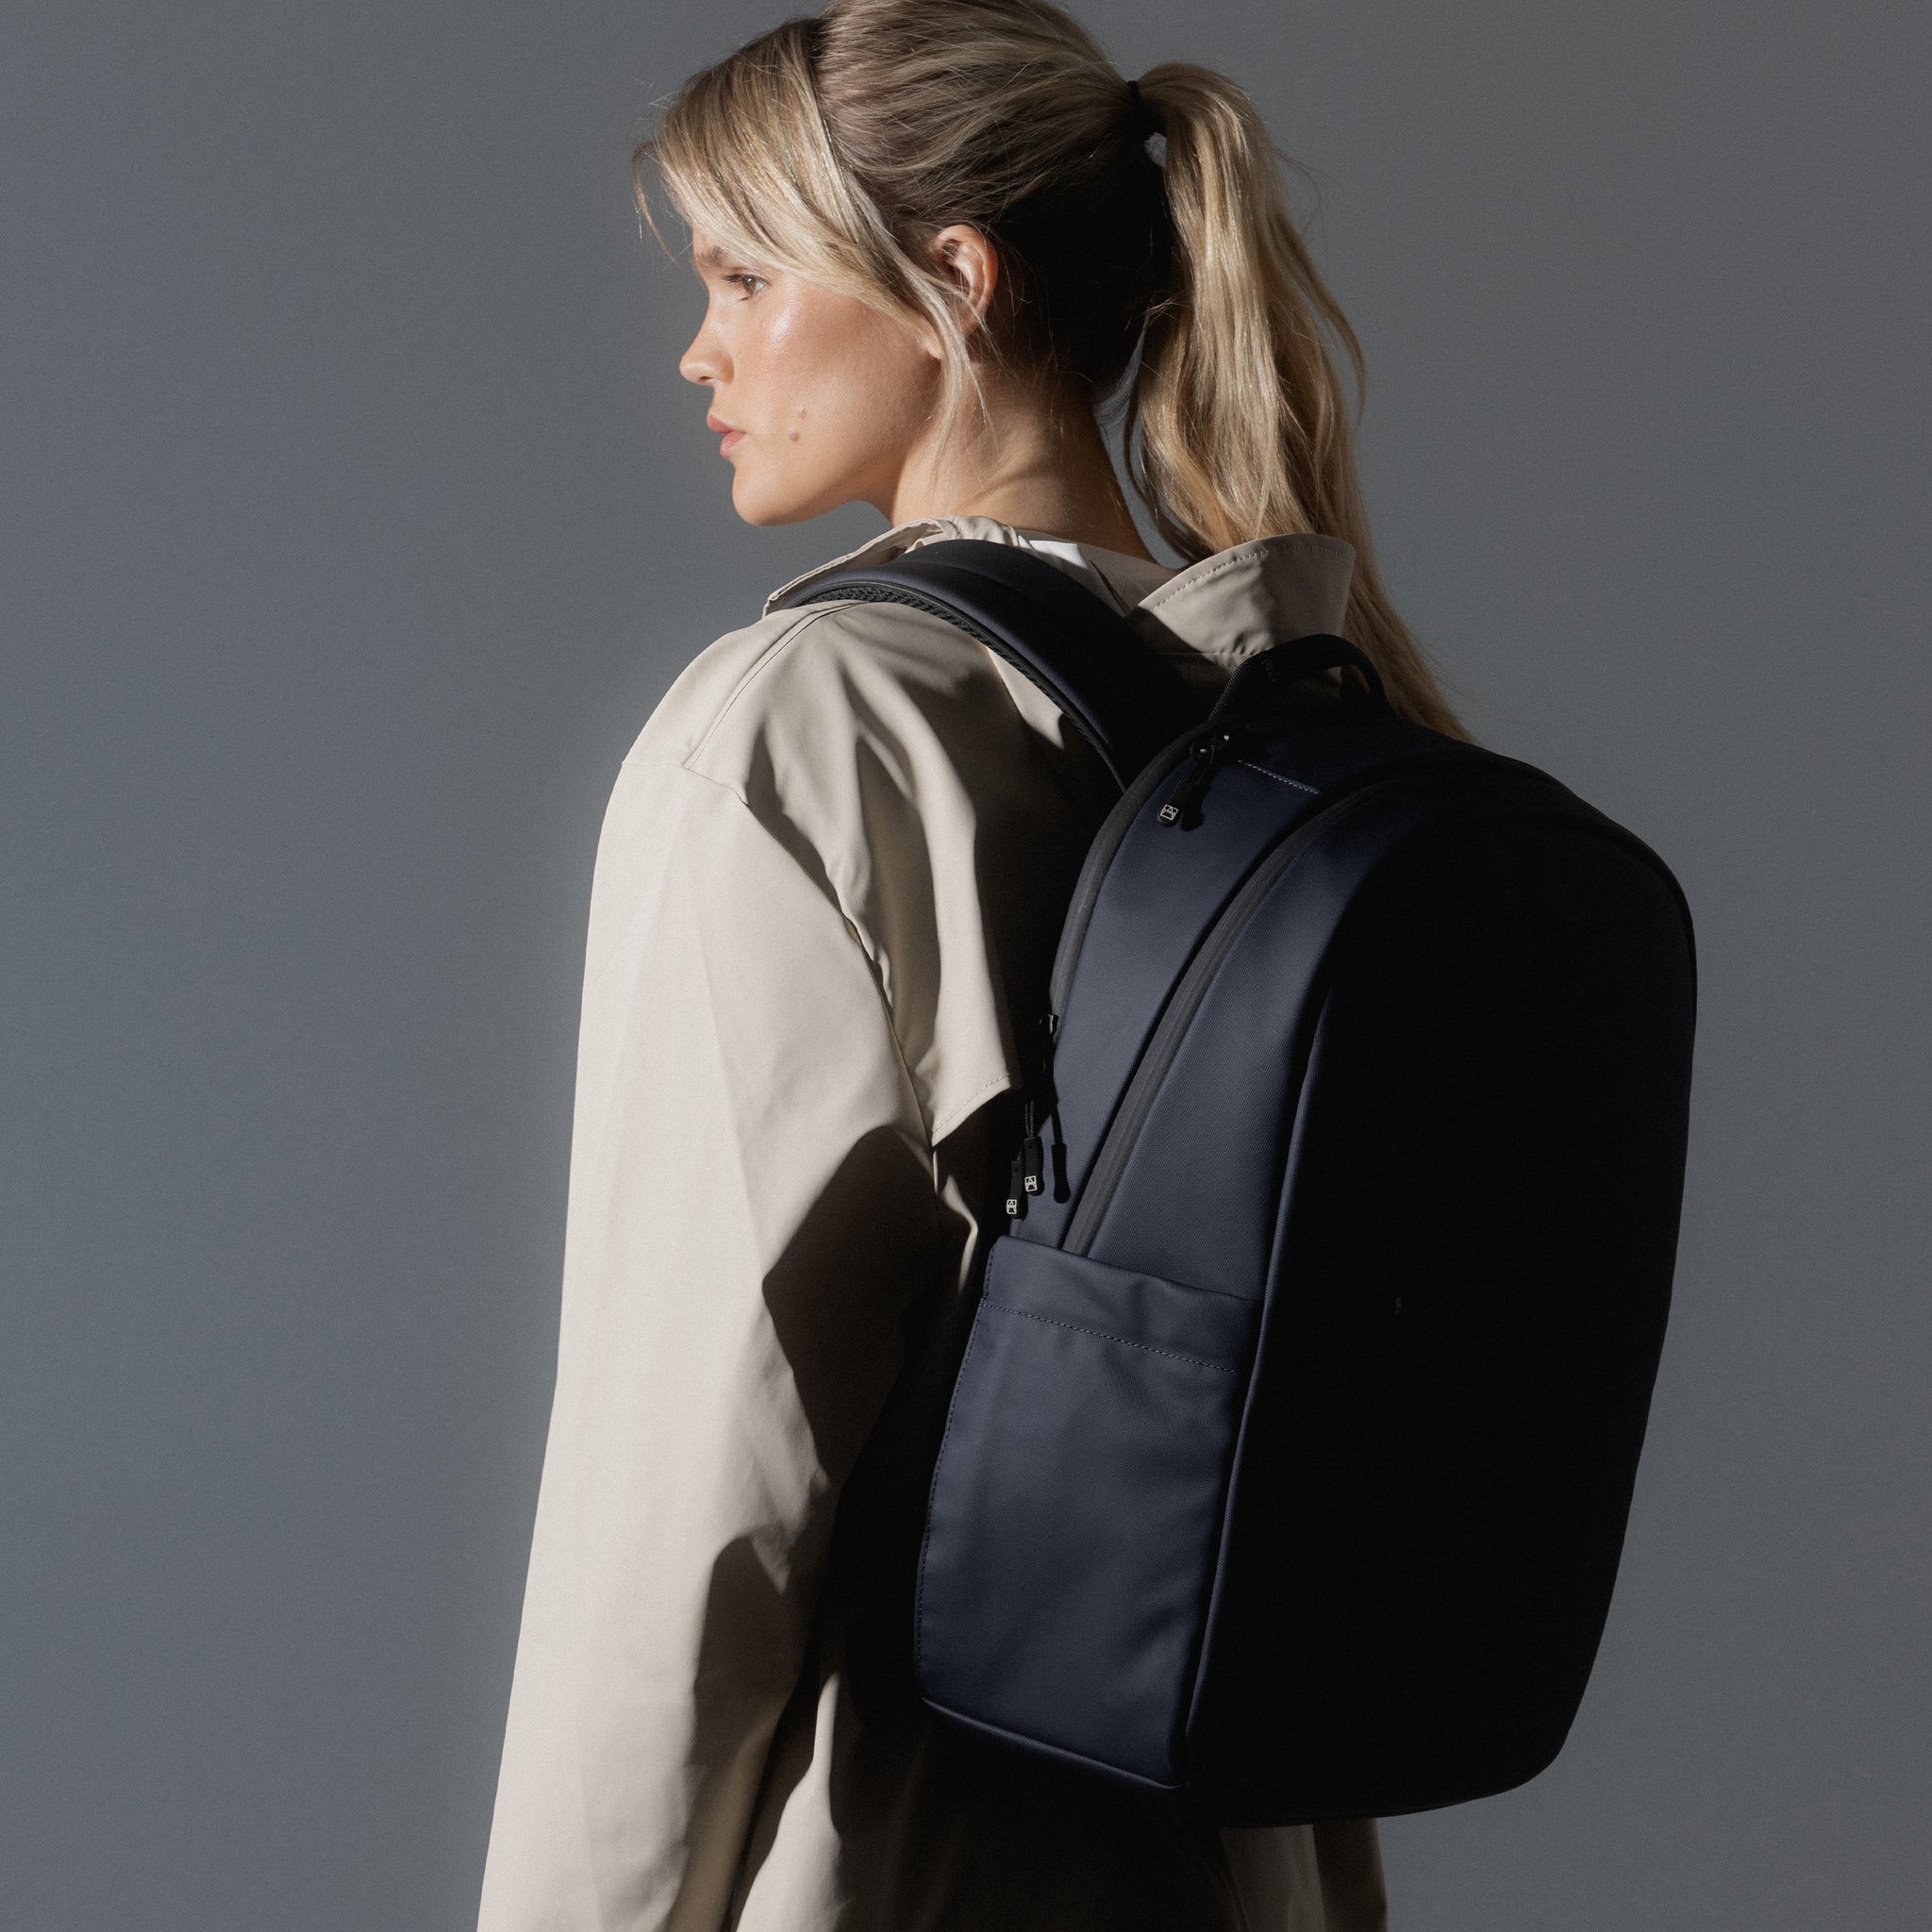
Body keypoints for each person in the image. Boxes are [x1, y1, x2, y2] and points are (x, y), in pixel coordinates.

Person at [478, 3, 1464, 1926]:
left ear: (948, 280)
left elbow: (693, 1494)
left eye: (748, 272)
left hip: (900, 1867)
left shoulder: (808, 730)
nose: (702, 345)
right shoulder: (1284, 728)